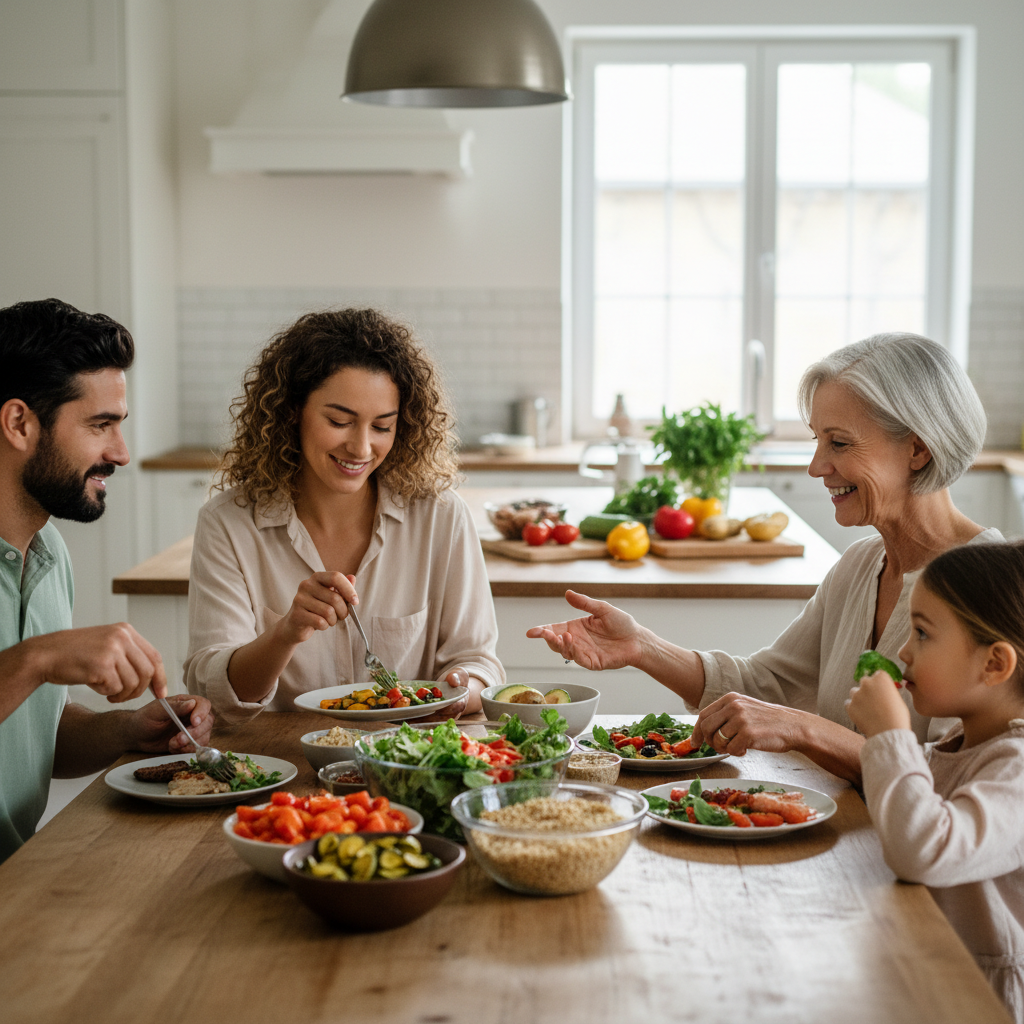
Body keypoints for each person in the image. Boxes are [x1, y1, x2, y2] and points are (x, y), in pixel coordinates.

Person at [527, 333, 1001, 782]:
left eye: (838, 442)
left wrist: (804, 728)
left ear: (917, 448)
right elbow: (766, 685)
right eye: (817, 439)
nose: (817, 465)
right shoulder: (862, 565)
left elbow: (951, 777)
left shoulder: (994, 589)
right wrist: (641, 648)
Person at [184, 307, 504, 724]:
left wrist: (460, 691)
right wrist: (286, 633)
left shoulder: (441, 517)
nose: (361, 447)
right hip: (283, 763)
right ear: (291, 411)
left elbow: (478, 662)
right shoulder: (228, 524)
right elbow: (220, 695)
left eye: (382, 427)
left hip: (408, 758)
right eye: (340, 421)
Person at [0, 298, 214, 863]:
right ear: (19, 423)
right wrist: (38, 658)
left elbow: (32, 736)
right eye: (101, 426)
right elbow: (24, 676)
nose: (120, 452)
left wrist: (126, 731)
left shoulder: (48, 552)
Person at [847, 541, 1024, 1021]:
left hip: (981, 1000)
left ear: (994, 664)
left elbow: (925, 848)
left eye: (922, 634)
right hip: (928, 973)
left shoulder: (1018, 771)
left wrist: (889, 734)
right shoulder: (959, 741)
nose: (903, 650)